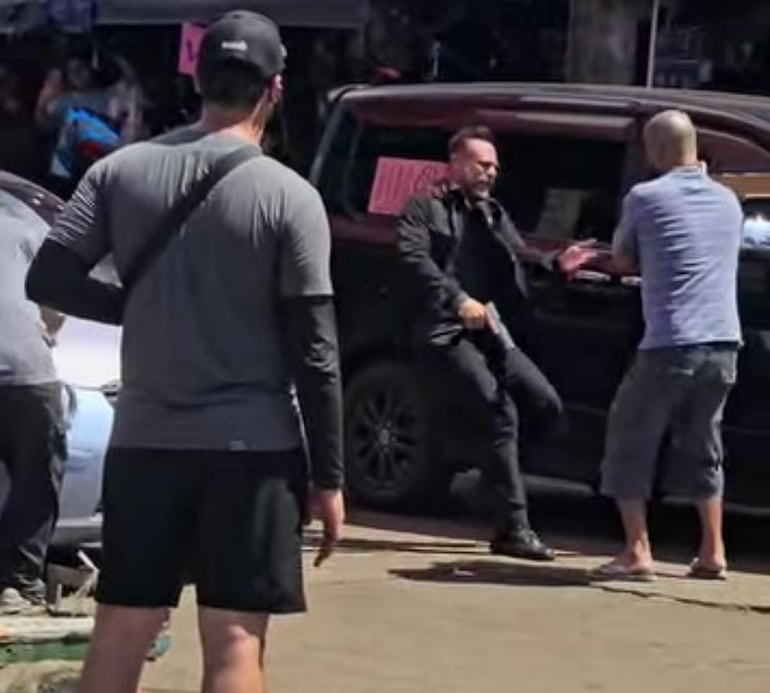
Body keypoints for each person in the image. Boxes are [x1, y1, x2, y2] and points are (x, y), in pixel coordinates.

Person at [27, 11, 345, 693]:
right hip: (253, 450)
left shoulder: (119, 172)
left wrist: (137, 307)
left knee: (122, 625)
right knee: (234, 640)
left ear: (197, 81)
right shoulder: (291, 197)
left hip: (144, 443)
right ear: (275, 89)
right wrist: (330, 477)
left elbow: (48, 278)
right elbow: (315, 351)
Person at [396, 126, 596, 561]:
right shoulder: (424, 208)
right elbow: (414, 260)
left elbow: (517, 258)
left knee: (544, 403)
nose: (488, 173)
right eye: (480, 164)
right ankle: (513, 527)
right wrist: (458, 299)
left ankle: (495, 474)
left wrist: (556, 263)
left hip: (491, 329)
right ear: (455, 163)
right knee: (499, 412)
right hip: (445, 330)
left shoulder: (492, 213)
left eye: (493, 167)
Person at [593, 110, 743, 582]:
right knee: (703, 443)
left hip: (671, 341)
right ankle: (713, 549)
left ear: (656, 149)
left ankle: (636, 550)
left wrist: (588, 256)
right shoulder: (729, 201)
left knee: (629, 436)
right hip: (724, 340)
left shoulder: (645, 197)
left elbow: (623, 260)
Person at [0, 190, 66, 614]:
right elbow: (56, 303)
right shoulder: (26, 225)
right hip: (27, 373)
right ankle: (19, 585)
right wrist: (48, 333)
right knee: (36, 478)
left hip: (24, 373)